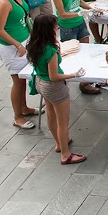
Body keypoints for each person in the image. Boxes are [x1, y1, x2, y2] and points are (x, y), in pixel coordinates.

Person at [26, 14, 87, 164]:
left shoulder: (34, 44)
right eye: (55, 26)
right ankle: (66, 154)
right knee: (63, 122)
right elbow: (54, 76)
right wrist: (72, 75)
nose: (57, 27)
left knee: (51, 115)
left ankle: (59, 144)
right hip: (54, 87)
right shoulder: (50, 51)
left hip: (41, 83)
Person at [0, 0, 38, 129]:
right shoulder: (4, 2)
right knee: (17, 81)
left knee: (22, 79)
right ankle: (17, 116)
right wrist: (17, 44)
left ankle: (24, 108)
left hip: (23, 40)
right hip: (11, 46)